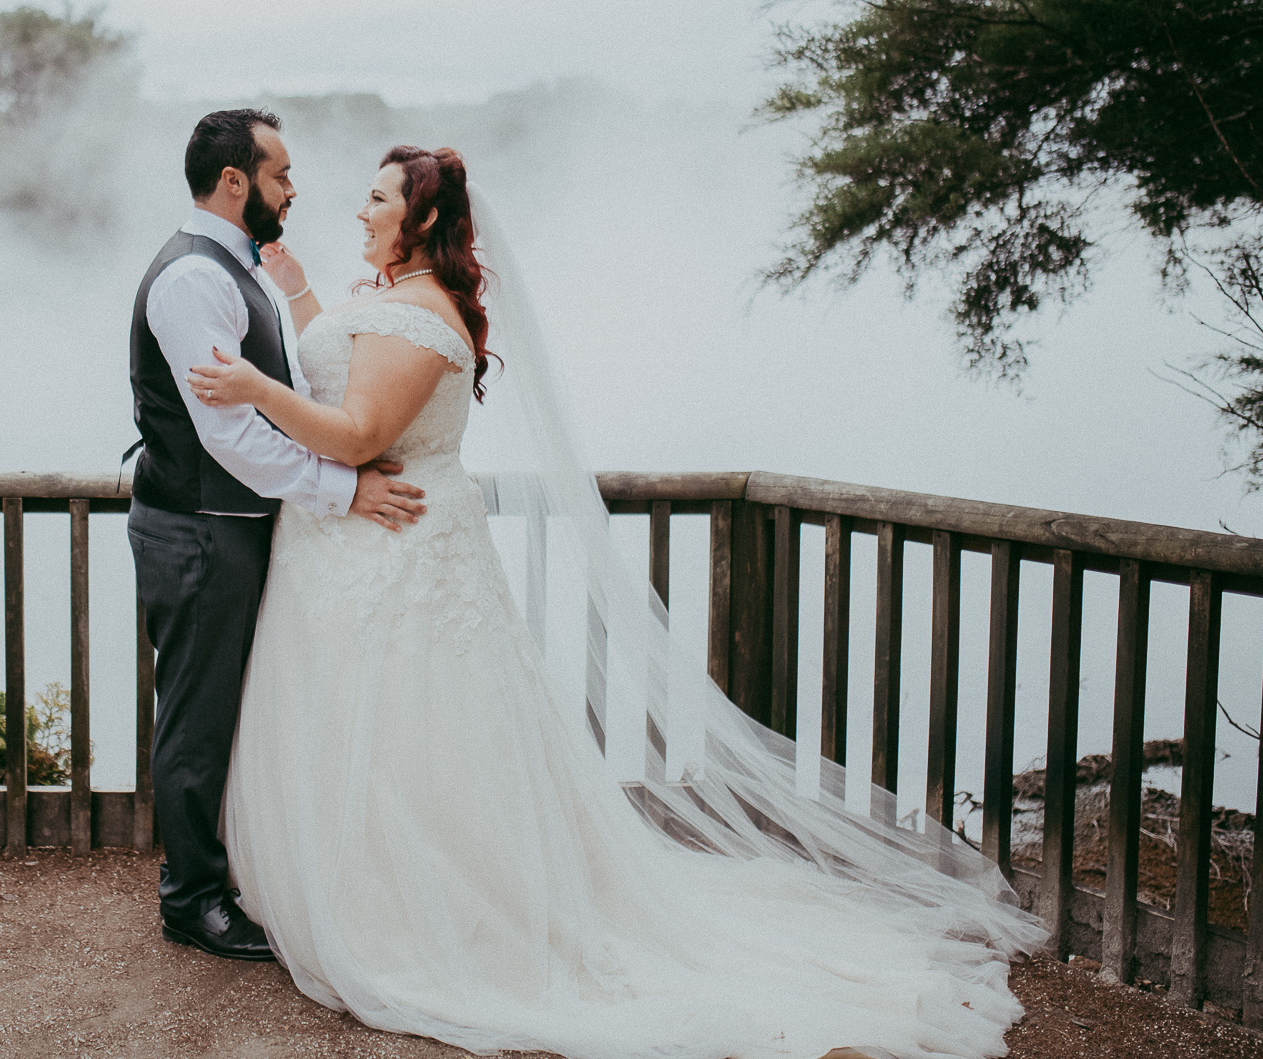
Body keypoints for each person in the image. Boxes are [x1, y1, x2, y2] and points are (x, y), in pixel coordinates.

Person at [186, 143, 1047, 1059]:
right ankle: (352, 895)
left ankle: (425, 919)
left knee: (411, 734)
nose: (360, 210)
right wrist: (305, 293)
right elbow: (349, 370)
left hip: (396, 552)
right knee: (370, 733)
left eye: (377, 197)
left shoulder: (430, 313)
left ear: (424, 218)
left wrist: (254, 389)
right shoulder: (390, 298)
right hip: (352, 552)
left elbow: (359, 431)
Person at [126, 109, 428, 962]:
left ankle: (219, 877)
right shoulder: (193, 279)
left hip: (230, 527)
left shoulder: (236, 267)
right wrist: (346, 489)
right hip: (197, 529)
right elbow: (231, 435)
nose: (293, 189)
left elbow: (279, 391)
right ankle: (190, 898)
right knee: (196, 714)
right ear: (235, 181)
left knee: (227, 710)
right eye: (280, 174)